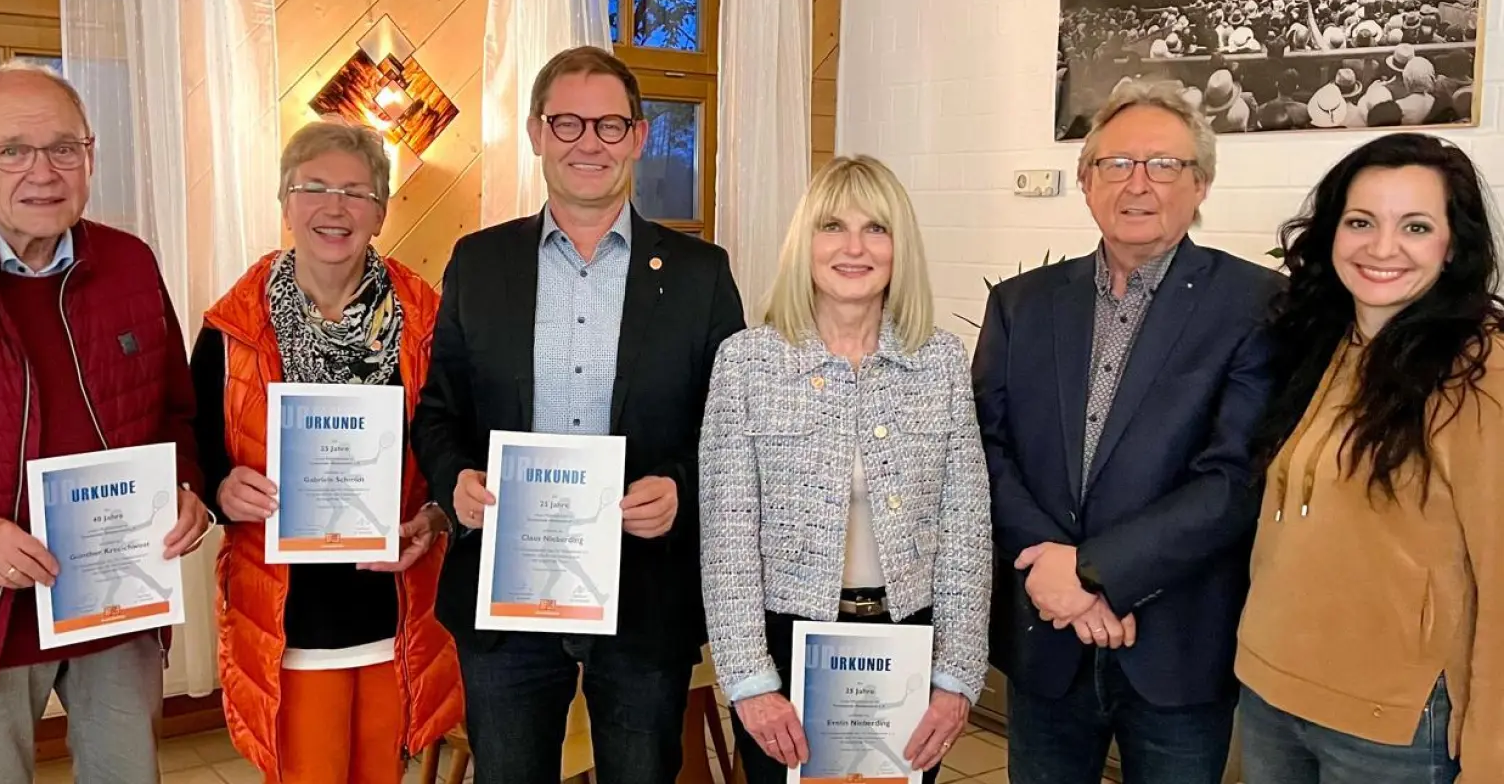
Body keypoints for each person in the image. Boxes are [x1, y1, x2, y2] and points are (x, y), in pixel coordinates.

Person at [410, 45, 745, 783]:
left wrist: (682, 489)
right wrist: (454, 480)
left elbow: (732, 432)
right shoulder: (478, 263)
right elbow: (437, 413)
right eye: (567, 123)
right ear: (534, 132)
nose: (588, 143)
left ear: (638, 136)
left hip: (643, 592)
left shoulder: (700, 275)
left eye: (608, 125)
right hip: (507, 594)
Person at [0, 60, 210, 784]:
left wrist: (185, 487)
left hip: (115, 597)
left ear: (89, 156)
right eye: (13, 150)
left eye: (64, 148)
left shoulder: (130, 262)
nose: (43, 171)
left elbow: (175, 413)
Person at [972, 78, 1282, 784]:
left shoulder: (1257, 305)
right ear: (1086, 181)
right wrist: (1054, 572)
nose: (1137, 184)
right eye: (1115, 164)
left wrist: (1093, 575)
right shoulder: (1022, 305)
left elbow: (1234, 478)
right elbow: (986, 451)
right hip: (1045, 635)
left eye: (1164, 165)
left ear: (1200, 184)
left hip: (1175, 645)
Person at [699, 155, 993, 784]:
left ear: (899, 247)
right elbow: (726, 539)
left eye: (876, 229)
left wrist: (958, 674)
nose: (854, 248)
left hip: (908, 640)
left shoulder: (938, 362)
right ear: (805, 243)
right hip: (787, 643)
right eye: (833, 226)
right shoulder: (747, 363)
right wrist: (750, 679)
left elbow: (966, 531)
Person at [192, 120, 463, 783]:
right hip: (288, 613)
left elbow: (457, 440)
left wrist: (432, 518)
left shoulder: (430, 323)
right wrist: (222, 487)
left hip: (393, 602)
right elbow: (194, 446)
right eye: (313, 187)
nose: (334, 208)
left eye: (356, 192)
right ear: (286, 203)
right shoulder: (232, 331)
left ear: (380, 211)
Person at [1238, 133, 1503, 783]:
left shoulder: (1481, 369)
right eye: (1361, 222)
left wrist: (1492, 756)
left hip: (1395, 728)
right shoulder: (1323, 342)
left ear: (1454, 244)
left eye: (1415, 226)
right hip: (1270, 696)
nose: (1382, 248)